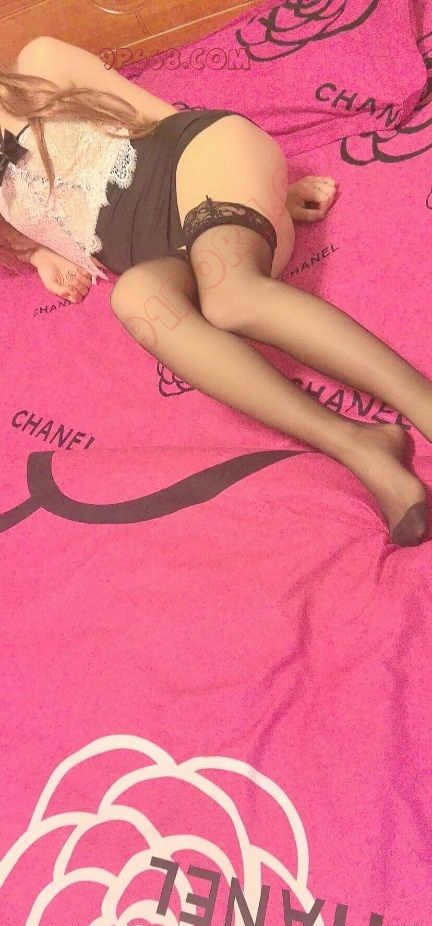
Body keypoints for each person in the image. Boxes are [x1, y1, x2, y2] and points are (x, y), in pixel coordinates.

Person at [0, 36, 430, 548]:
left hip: (197, 163)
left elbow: (160, 118)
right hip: (159, 250)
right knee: (133, 300)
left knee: (230, 297)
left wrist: (271, 190)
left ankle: (424, 403)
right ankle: (359, 445)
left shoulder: (41, 61)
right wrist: (39, 255)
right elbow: (44, 220)